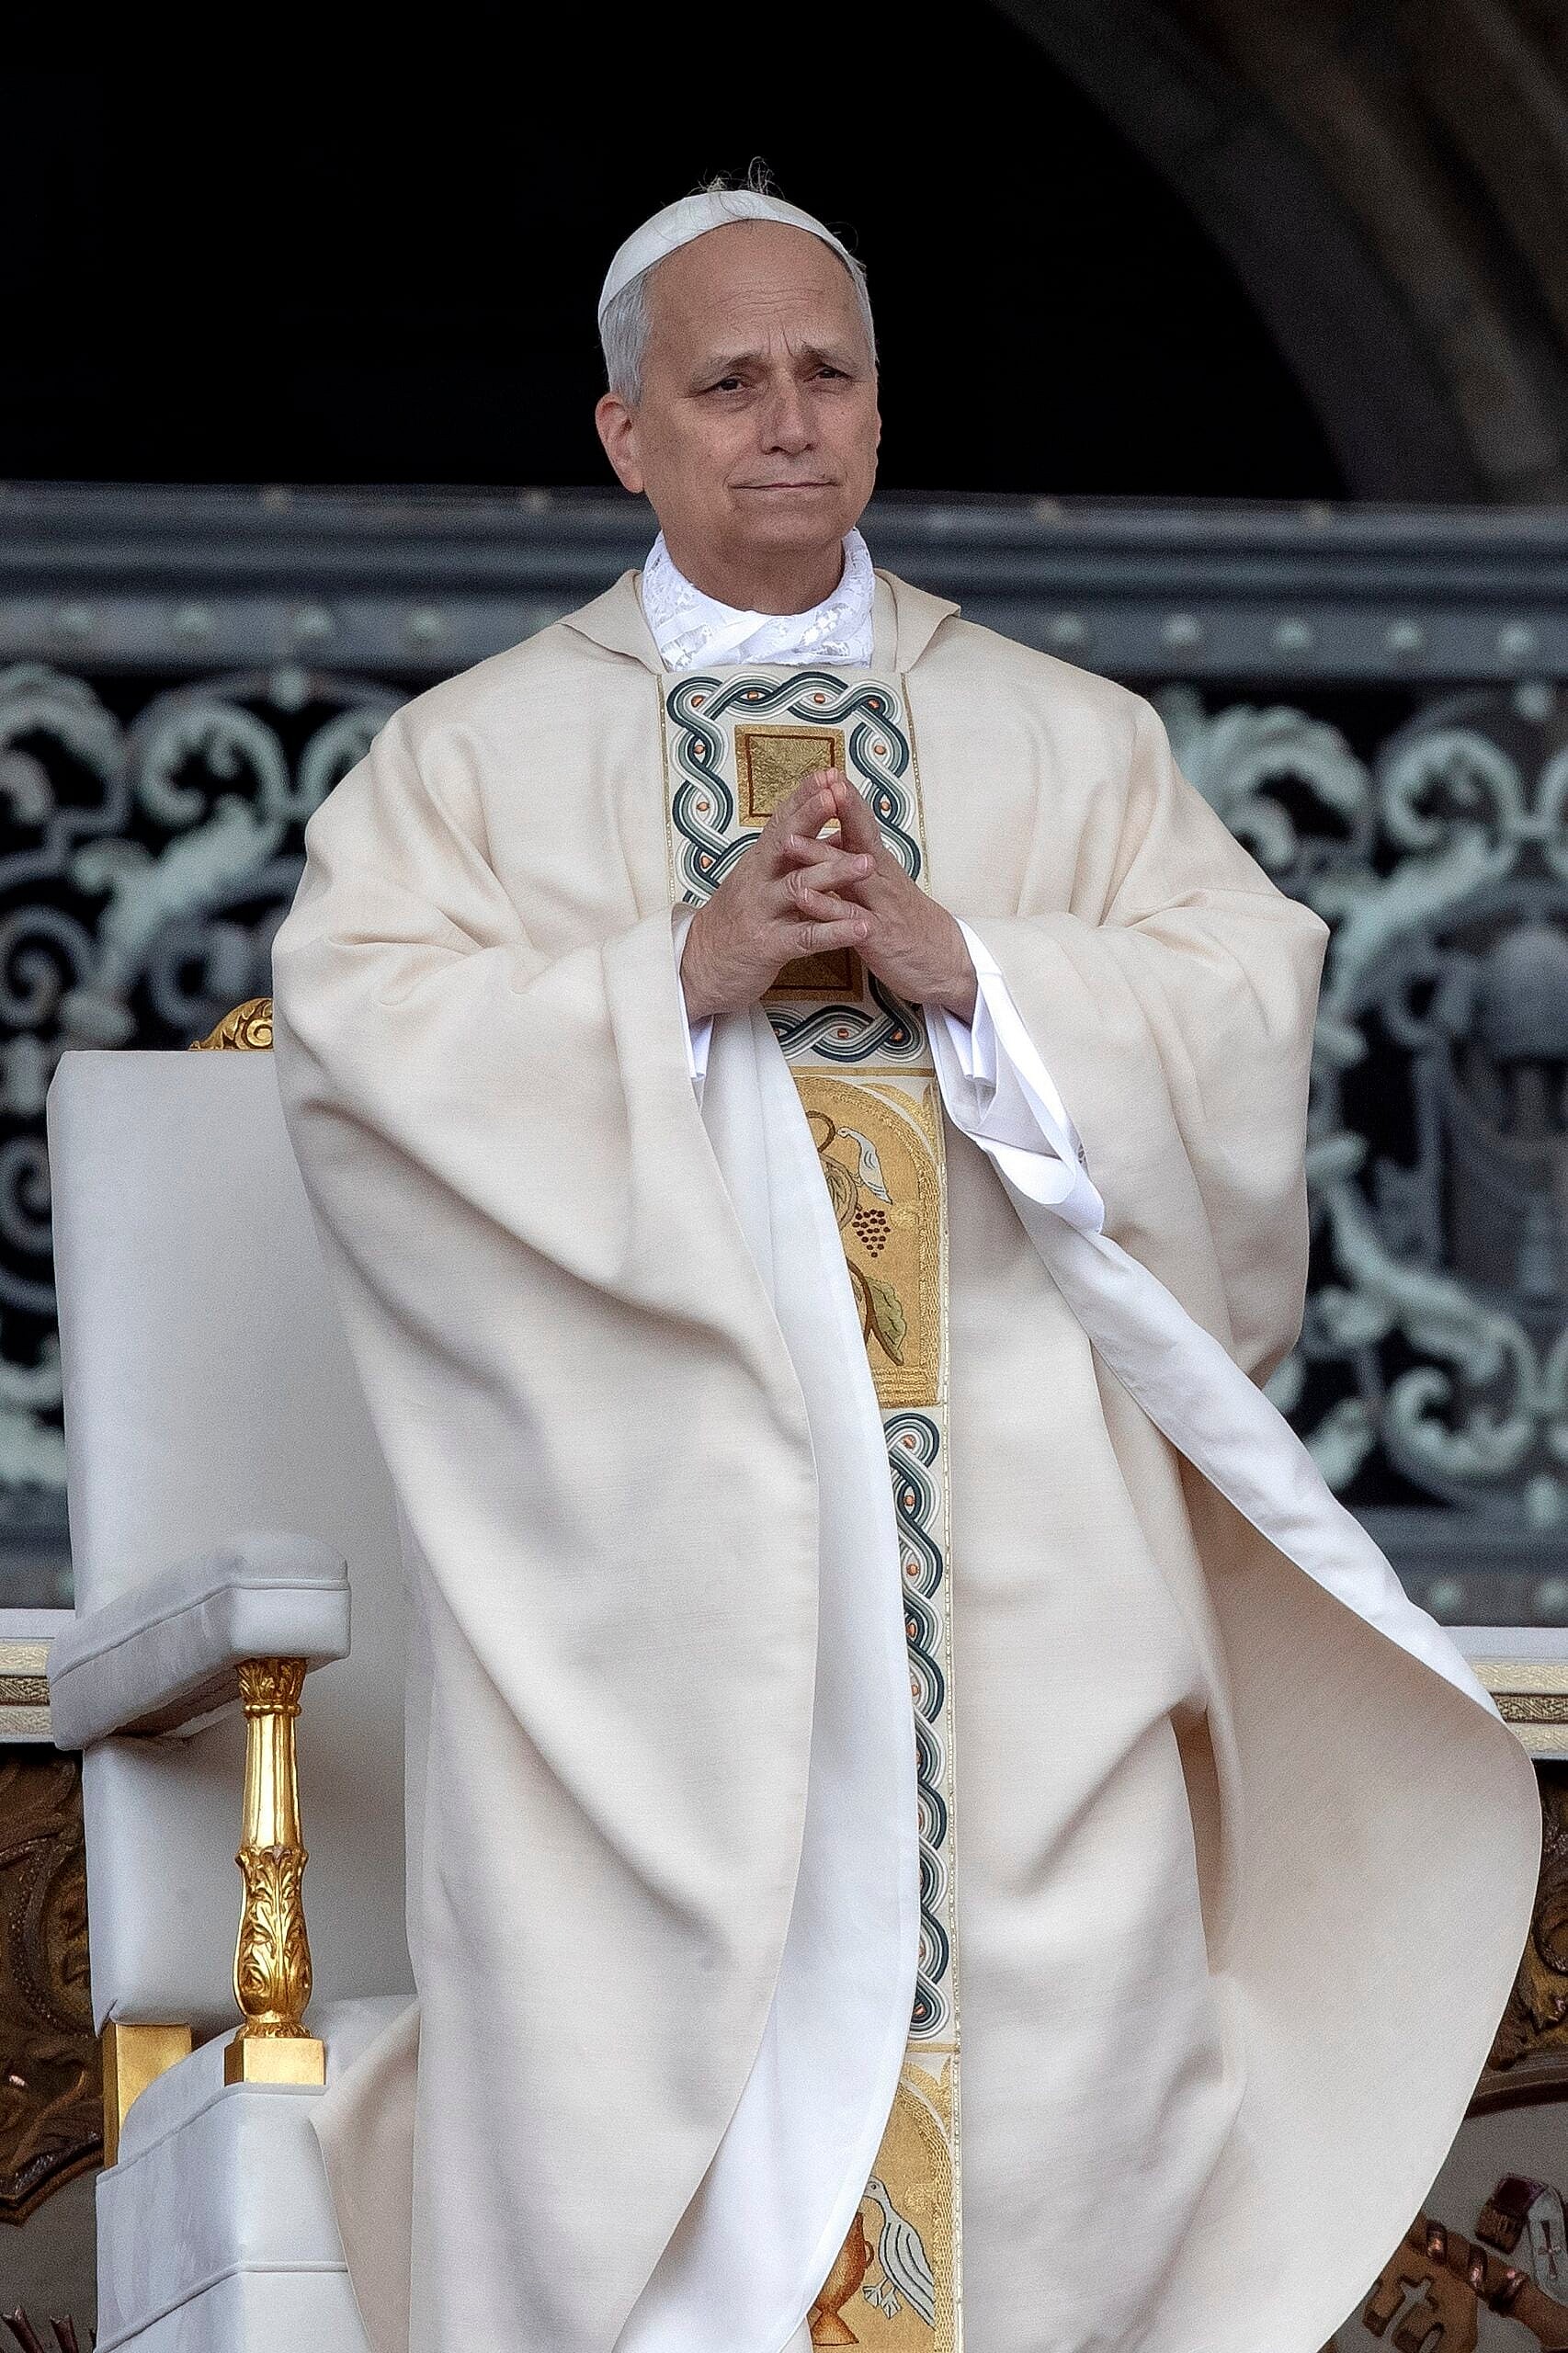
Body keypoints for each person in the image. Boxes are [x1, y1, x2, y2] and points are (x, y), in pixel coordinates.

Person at [268, 179, 1541, 2353]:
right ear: (624, 434)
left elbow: (1240, 997)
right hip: (643, 1571)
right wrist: (678, 974)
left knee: (1062, 2017)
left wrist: (985, 974)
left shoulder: (1064, 739)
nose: (787, 420)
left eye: (826, 373)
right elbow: (362, 1043)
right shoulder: (464, 765)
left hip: (1016, 1558)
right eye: (726, 382)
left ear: (877, 408)